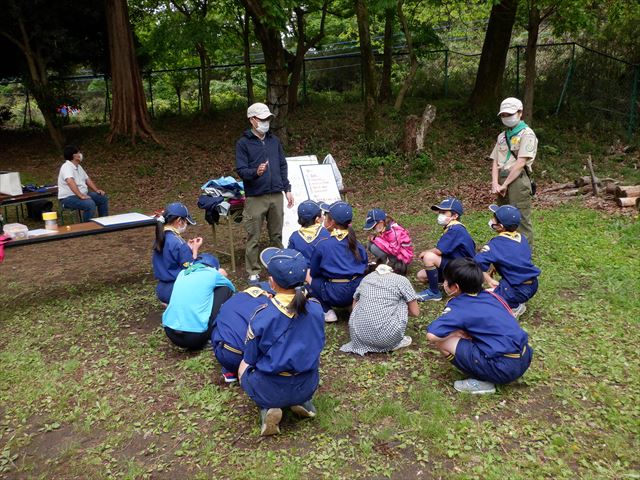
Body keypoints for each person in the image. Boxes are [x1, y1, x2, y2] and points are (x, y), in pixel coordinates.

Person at [238, 248, 325, 436]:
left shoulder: (262, 315)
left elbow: (251, 358)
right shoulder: (317, 309)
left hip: (270, 388)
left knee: (243, 366)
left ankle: (267, 408)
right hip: (307, 382)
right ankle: (302, 401)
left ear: (271, 283)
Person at [426, 258, 533, 394]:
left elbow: (432, 335)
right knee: (465, 331)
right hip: (524, 357)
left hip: (504, 368)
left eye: (446, 281)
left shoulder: (460, 306)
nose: (445, 284)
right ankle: (489, 368)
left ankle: (483, 381)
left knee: (444, 341)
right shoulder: (491, 295)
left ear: (456, 287)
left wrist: (455, 334)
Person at [235, 102, 294, 285]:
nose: (266, 122)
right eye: (262, 119)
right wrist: (256, 172)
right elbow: (241, 170)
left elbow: (282, 165)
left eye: (268, 119)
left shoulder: (273, 140)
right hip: (255, 197)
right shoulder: (243, 143)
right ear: (252, 120)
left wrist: (287, 189)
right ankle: (253, 271)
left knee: (276, 235)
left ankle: (279, 268)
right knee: (253, 235)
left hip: (276, 194)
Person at [340, 257, 420, 356]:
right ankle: (393, 341)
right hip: (386, 339)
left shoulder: (368, 277)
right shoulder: (401, 280)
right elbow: (415, 312)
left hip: (358, 336)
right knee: (403, 299)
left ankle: (368, 332)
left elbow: (355, 300)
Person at [475, 205, 541, 317]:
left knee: (480, 302)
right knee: (499, 288)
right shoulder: (522, 238)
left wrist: (488, 279)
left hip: (517, 290)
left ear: (500, 226)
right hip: (533, 284)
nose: (491, 220)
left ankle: (514, 307)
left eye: (494, 219)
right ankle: (513, 299)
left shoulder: (496, 244)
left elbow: (476, 263)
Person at [309, 201, 368, 323]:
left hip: (335, 293)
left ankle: (327, 311)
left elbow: (315, 272)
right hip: (357, 290)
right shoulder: (357, 244)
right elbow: (364, 265)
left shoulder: (323, 245)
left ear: (332, 222)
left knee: (311, 279)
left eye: (326, 217)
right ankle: (353, 306)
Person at [489, 97, 538, 245]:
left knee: (521, 218)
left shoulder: (527, 134)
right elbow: (495, 161)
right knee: (502, 217)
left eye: (509, 114)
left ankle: (524, 254)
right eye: (503, 115)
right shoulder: (502, 137)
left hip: (518, 180)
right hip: (502, 179)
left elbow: (520, 162)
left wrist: (505, 185)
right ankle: (505, 248)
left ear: (520, 113)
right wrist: (495, 183)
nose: (506, 118)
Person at [162, 254, 235, 350]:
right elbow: (231, 288)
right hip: (195, 337)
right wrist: (221, 274)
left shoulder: (182, 273)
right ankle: (213, 332)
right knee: (225, 288)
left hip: (171, 333)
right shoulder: (212, 273)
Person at [152, 202, 215, 304]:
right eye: (185, 221)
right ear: (179, 221)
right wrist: (194, 250)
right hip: (176, 290)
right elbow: (190, 271)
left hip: (161, 289)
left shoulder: (160, 238)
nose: (186, 224)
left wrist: (187, 249)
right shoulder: (179, 244)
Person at [211, 283, 274, 384]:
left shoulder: (234, 298)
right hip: (247, 358)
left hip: (223, 351)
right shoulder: (268, 304)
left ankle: (230, 370)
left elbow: (216, 324)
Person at [416, 198, 476, 302]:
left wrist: (425, 252)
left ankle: (434, 292)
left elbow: (438, 251)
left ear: (455, 216)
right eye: (440, 212)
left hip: (465, 269)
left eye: (444, 212)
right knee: (421, 276)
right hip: (457, 264)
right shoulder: (452, 228)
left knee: (429, 257)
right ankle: (451, 281)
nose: (440, 215)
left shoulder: (456, 229)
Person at [57, 145, 109, 221]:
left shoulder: (78, 167)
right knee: (89, 204)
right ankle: (86, 227)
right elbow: (70, 182)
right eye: (78, 153)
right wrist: (80, 195)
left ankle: (104, 221)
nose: (80, 154)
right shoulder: (66, 167)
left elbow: (87, 179)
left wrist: (96, 190)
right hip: (68, 198)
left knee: (102, 198)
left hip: (82, 195)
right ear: (74, 156)